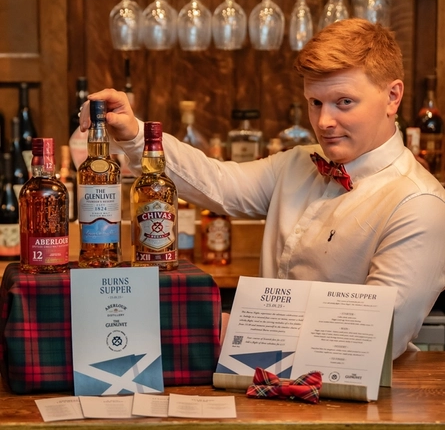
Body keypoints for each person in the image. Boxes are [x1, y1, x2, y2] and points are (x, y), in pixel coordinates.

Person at [78, 18, 445, 360]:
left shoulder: (419, 204)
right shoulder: (298, 163)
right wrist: (134, 133)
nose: (324, 121)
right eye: (315, 103)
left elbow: (379, 337)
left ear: (392, 97)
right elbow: (217, 183)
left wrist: (242, 330)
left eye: (343, 102)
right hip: (264, 383)